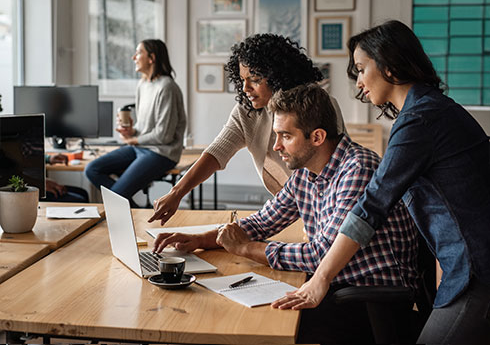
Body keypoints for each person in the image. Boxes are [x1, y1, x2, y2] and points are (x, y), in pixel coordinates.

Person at [272, 20, 490, 344]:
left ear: (388, 65)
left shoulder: (420, 120)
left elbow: (371, 206)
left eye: (361, 69)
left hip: (478, 269)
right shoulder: (427, 111)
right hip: (467, 265)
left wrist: (321, 278)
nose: (359, 83)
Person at [153, 84, 418, 344]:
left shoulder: (357, 169)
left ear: (317, 137)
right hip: (335, 287)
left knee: (248, 324)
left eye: (286, 136)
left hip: (369, 301)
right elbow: (263, 221)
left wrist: (246, 249)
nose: (276, 146)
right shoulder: (306, 171)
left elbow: (320, 255)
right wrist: (202, 239)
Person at [149, 33, 345, 224]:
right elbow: (217, 152)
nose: (245, 88)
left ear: (279, 77)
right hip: (287, 207)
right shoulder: (247, 111)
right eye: (242, 79)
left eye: (255, 80)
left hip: (326, 206)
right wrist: (176, 193)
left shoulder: (318, 106)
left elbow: (333, 170)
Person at [85, 39, 186, 208]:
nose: (134, 57)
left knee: (116, 195)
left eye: (139, 52)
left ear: (151, 58)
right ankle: (135, 211)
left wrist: (134, 140)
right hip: (140, 148)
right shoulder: (142, 85)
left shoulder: (167, 87)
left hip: (161, 153)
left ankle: (129, 210)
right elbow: (144, 127)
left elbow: (164, 135)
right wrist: (131, 131)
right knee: (92, 169)